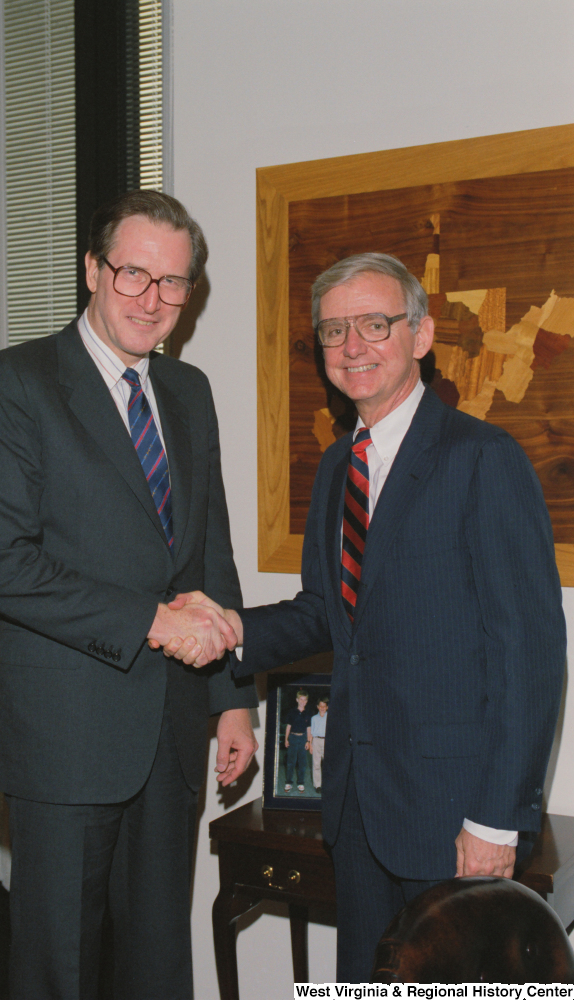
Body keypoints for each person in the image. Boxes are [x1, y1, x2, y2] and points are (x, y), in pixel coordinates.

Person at [161, 253, 566, 982]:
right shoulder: (336, 467)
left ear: (420, 335)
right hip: (354, 807)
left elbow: (529, 656)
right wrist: (230, 626)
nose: (352, 346)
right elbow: (328, 616)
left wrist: (493, 820)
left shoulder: (482, 459)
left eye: (374, 324)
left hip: (453, 814)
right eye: (333, 331)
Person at [0, 190, 258, 1000]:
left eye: (173, 283)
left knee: (158, 961)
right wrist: (153, 623)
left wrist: (232, 699)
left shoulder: (189, 393)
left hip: (170, 728)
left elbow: (210, 555)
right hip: (65, 734)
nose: (151, 299)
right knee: (60, 966)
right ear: (92, 270)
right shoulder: (19, 382)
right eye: (133, 274)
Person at [284, 689, 311, 792]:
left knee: (302, 763)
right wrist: (286, 739)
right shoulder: (292, 712)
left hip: (303, 738)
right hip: (293, 738)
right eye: (301, 699)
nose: (302, 701)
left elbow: (309, 728)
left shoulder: (308, 713)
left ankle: (300, 783)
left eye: (305, 700)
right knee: (291, 762)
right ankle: (288, 782)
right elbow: (288, 726)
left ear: (307, 701)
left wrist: (308, 741)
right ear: (297, 700)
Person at [307, 697, 328, 791]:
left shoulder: (330, 717)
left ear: (327, 707)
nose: (322, 708)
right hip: (316, 740)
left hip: (327, 741)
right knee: (316, 764)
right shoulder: (314, 718)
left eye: (324, 706)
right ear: (317, 707)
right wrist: (310, 744)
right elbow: (312, 732)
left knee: (328, 763)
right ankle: (318, 785)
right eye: (320, 706)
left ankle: (328, 784)